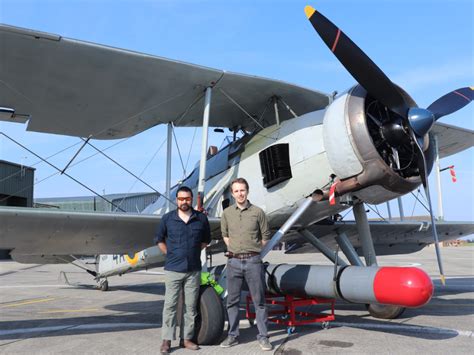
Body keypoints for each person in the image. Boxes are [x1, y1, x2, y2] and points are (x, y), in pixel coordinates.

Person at [155, 186, 211, 354]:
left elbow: (205, 241)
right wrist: (170, 254)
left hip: (193, 269)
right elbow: (159, 240)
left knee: (190, 307)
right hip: (173, 269)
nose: (184, 202)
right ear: (176, 200)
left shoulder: (201, 219)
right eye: (181, 199)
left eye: (187, 199)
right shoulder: (167, 219)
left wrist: (192, 253)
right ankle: (166, 341)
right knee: (170, 305)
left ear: (191, 199)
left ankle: (186, 339)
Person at [220, 177, 273, 351]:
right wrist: (234, 249)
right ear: (232, 193)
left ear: (247, 191)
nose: (240, 193)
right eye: (236, 191)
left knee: (260, 301)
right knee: (232, 301)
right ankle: (233, 335)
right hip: (233, 261)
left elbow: (266, 235)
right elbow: (225, 235)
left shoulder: (258, 212)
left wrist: (254, 249)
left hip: (253, 261)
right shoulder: (227, 213)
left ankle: (264, 337)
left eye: (242, 190)